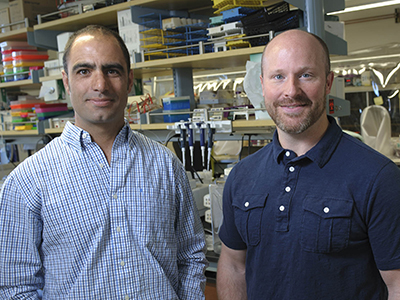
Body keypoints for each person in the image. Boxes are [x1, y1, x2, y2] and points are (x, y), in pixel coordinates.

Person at [0, 25, 208, 299]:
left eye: (112, 70)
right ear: (66, 81)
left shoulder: (165, 164)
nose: (100, 85)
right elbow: (16, 288)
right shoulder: (27, 181)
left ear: (129, 80)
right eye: (84, 71)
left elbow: (191, 257)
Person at [216, 29, 400, 300]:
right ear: (262, 84)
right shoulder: (242, 176)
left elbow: (397, 284)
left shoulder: (378, 177)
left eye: (306, 75)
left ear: (328, 83)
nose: (291, 91)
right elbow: (233, 265)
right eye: (278, 76)